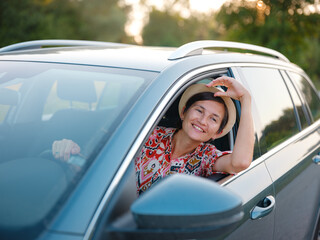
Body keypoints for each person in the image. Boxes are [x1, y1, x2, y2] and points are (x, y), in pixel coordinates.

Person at [52, 76, 254, 195]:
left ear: (217, 132)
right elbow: (98, 159)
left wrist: (245, 100)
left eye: (213, 119)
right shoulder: (147, 132)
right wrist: (69, 148)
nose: (202, 121)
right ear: (183, 112)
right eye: (199, 110)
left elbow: (241, 162)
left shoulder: (207, 157)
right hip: (108, 214)